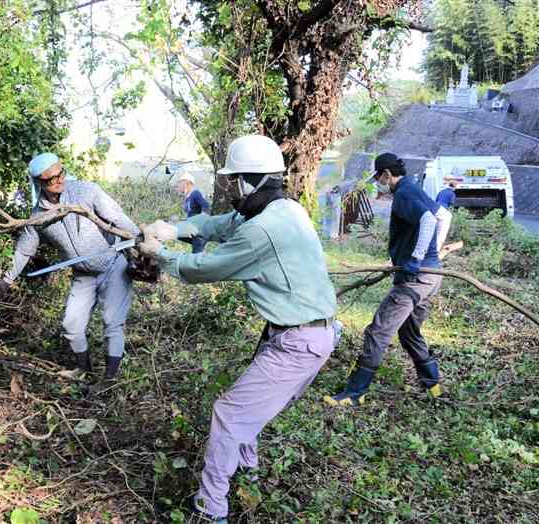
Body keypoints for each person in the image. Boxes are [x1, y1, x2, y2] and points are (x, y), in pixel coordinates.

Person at [137, 135, 338, 523]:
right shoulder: (285, 210)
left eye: (234, 180)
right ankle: (249, 477)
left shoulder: (260, 231)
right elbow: (217, 224)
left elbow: (203, 269)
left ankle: (211, 510)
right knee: (249, 413)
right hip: (305, 333)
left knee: (230, 415)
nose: (230, 188)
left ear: (250, 181)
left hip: (298, 342)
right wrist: (173, 229)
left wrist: (159, 255)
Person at [0, 153, 140, 387]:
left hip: (114, 265)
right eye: (50, 179)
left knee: (112, 322)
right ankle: (84, 370)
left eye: (61, 173)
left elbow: (117, 217)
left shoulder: (87, 191)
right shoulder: (38, 217)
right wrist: (6, 280)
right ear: (39, 183)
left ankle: (110, 381)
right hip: (83, 275)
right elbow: (24, 250)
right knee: (71, 325)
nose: (59, 180)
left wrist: (140, 240)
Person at [324, 153, 450, 407]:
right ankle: (433, 386)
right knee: (409, 331)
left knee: (378, 331)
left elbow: (427, 219)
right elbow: (443, 216)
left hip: (415, 280)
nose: (379, 184)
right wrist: (431, 257)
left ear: (386, 175)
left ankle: (354, 393)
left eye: (379, 178)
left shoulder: (404, 192)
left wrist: (417, 257)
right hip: (431, 278)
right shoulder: (413, 189)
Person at [176, 172, 211, 253]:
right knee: (175, 231)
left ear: (187, 183)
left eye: (181, 183)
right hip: (191, 229)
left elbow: (206, 205)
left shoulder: (195, 193)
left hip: (198, 230)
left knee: (197, 254)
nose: (179, 186)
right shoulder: (187, 198)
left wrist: (202, 219)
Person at [435, 180, 456, 250]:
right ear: (454, 187)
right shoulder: (452, 193)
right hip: (443, 211)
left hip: (435, 209)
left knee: (434, 230)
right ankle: (437, 249)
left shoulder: (441, 191)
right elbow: (451, 204)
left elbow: (436, 200)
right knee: (442, 232)